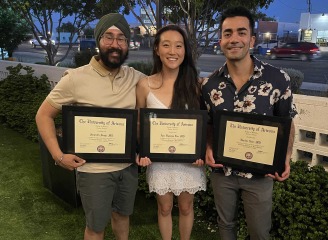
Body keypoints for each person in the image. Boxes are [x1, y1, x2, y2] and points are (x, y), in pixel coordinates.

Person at [35, 13, 146, 240]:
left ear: (127, 44)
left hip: (127, 167)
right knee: (96, 228)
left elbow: (166, 84)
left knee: (122, 218)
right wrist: (58, 155)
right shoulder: (75, 78)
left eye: (121, 38)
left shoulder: (135, 77)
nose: (115, 44)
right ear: (98, 41)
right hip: (93, 171)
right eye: (109, 37)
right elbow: (43, 115)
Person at [200, 6, 297, 240]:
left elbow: (287, 122)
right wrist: (209, 147)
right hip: (223, 171)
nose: (234, 39)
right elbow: (209, 124)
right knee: (225, 225)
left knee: (259, 232)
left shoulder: (277, 79)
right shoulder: (209, 84)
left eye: (241, 32)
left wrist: (285, 156)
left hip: (260, 174)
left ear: (252, 39)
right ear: (221, 40)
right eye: (227, 33)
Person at [136, 25, 206, 240]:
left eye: (178, 45)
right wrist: (140, 151)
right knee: (164, 208)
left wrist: (201, 152)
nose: (172, 51)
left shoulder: (196, 86)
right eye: (166, 45)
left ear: (185, 51)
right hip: (158, 160)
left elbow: (203, 125)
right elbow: (140, 124)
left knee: (186, 207)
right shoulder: (144, 85)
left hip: (188, 161)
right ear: (157, 49)